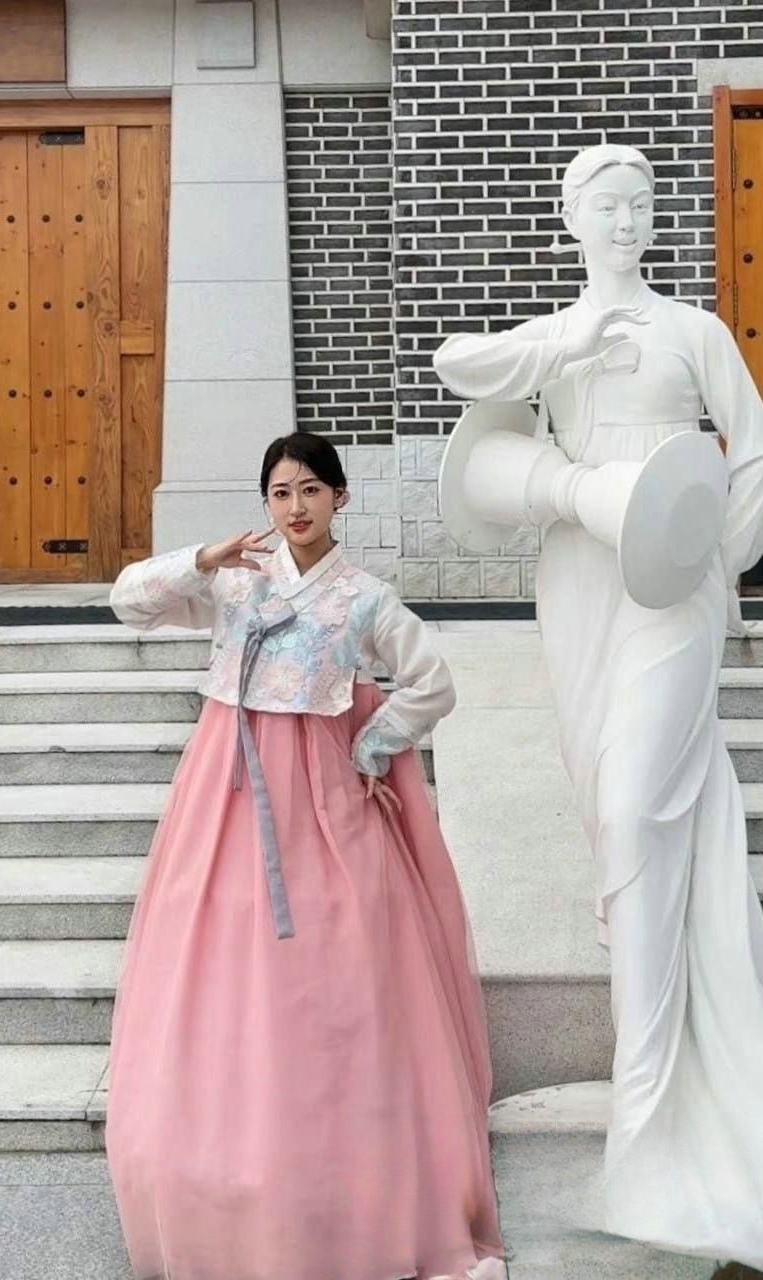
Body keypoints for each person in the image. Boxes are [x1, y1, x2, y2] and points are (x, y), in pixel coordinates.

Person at [434, 144, 763, 1270]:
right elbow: (455, 364)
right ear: (572, 218)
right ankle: (645, 1067)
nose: (626, 221)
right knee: (605, 809)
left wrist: (714, 553)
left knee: (634, 811)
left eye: (640, 204)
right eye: (605, 206)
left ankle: (651, 1120)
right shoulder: (556, 337)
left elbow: (754, 448)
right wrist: (562, 347)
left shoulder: (693, 331)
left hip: (669, 582)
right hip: (578, 578)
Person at [106, 430, 507, 1280]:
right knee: (221, 957)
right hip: (224, 792)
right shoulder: (236, 582)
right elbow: (128, 601)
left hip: (321, 803)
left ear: (339, 499)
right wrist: (202, 559)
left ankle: (342, 1166)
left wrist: (371, 747)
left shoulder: (363, 598)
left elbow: (432, 683)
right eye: (281, 492)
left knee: (336, 965)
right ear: (266, 502)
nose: (296, 507)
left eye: (312, 490)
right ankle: (229, 1164)